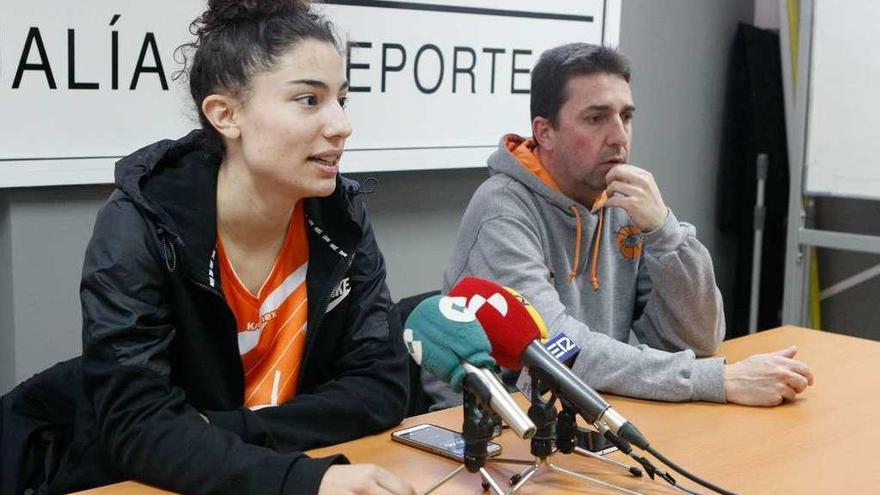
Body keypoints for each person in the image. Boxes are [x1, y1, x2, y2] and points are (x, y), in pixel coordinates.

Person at [5, 1, 416, 494]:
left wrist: (228, 430)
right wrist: (301, 480)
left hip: (251, 467)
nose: (340, 125)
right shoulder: (142, 223)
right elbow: (137, 427)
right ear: (226, 115)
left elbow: (382, 386)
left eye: (342, 100)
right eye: (309, 100)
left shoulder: (340, 218)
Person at [435, 43, 813, 409]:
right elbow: (555, 352)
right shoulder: (502, 209)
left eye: (626, 117)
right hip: (499, 426)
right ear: (545, 132)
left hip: (592, 411)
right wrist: (716, 380)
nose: (619, 136)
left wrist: (664, 233)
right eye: (596, 118)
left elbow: (697, 340)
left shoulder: (622, 198)